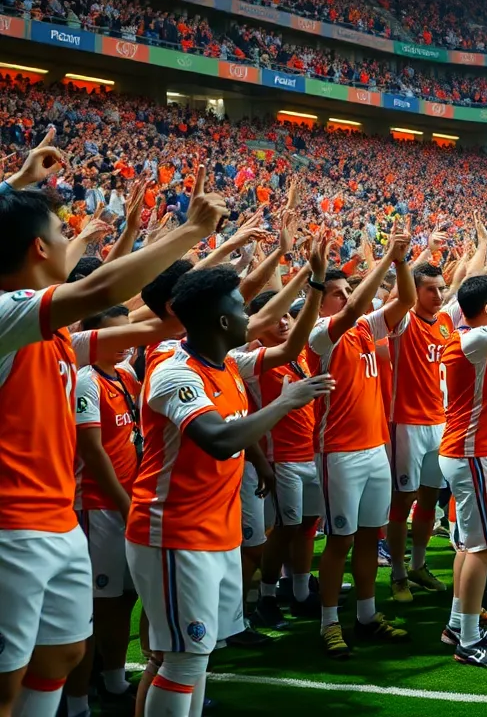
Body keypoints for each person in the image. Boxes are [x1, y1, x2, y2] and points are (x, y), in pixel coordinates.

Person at [0, 139, 225, 717]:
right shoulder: (7, 314)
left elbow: (139, 329)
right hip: (11, 527)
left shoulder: (54, 338)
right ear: (37, 248)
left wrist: (19, 186)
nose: (69, 244)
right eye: (60, 232)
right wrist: (188, 232)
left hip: (57, 522)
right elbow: (99, 289)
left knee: (61, 656)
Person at [125, 266, 334, 717]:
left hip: (212, 532)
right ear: (222, 322)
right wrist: (284, 402)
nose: (249, 317)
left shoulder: (227, 364)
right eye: (240, 308)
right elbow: (218, 439)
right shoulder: (174, 374)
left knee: (188, 658)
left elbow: (283, 361)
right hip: (174, 534)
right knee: (182, 659)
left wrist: (260, 461)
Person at [309, 221, 414, 659]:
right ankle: (329, 622)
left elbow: (405, 299)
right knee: (340, 541)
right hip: (338, 451)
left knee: (372, 535)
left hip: (373, 448)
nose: (346, 296)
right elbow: (352, 308)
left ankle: (368, 615)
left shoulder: (366, 330)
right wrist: (388, 256)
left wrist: (402, 260)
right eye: (337, 291)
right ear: (323, 301)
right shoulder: (319, 333)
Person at [242, 236, 333, 629]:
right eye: (275, 320)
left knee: (306, 526)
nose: (283, 323)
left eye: (287, 318)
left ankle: (298, 590)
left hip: (308, 454)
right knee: (285, 527)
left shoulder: (298, 357)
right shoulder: (256, 364)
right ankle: (266, 597)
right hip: (281, 460)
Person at [438, 274, 487, 668]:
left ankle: (457, 625)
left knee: (472, 545)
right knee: (483, 548)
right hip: (471, 454)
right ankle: (468, 641)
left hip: (468, 451)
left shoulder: (465, 338)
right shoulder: (471, 340)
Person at [68, 306, 142, 717]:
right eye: (112, 336)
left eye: (126, 334)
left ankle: (113, 679)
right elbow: (92, 452)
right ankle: (77, 701)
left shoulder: (127, 376)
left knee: (123, 598)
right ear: (91, 337)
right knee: (93, 607)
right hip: (98, 506)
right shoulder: (85, 382)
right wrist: (124, 502)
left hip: (126, 503)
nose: (123, 343)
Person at [386, 230, 452, 603]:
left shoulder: (444, 322)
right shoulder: (402, 321)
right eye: (431, 289)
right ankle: (397, 574)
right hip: (407, 422)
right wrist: (403, 260)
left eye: (441, 288)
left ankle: (418, 564)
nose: (439, 295)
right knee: (404, 498)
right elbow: (402, 295)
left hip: (438, 422)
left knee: (429, 497)